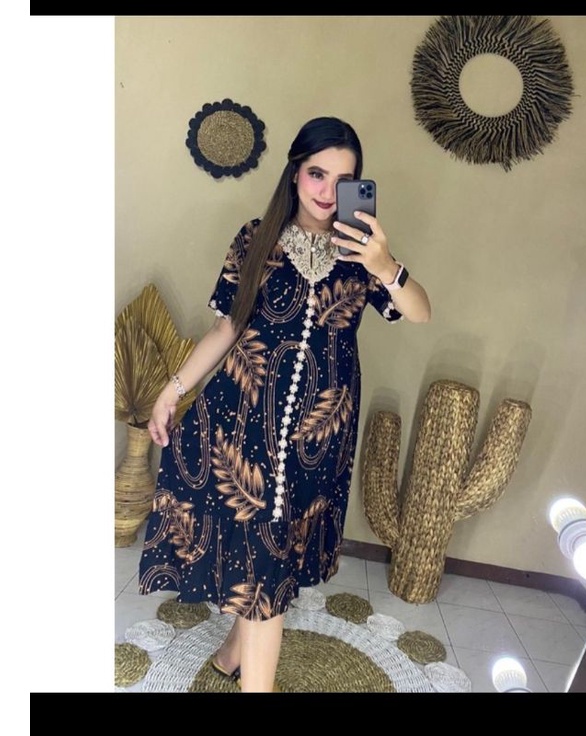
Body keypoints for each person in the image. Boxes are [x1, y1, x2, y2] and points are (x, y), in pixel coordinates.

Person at [138, 116, 431, 693]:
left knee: (274, 558)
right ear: (295, 172)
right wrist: (172, 391)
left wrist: (386, 266)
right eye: (317, 173)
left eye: (343, 180)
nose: (327, 190)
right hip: (243, 424)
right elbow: (227, 328)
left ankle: (231, 656)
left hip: (319, 436)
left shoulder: (364, 253)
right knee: (264, 564)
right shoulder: (255, 238)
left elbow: (419, 312)